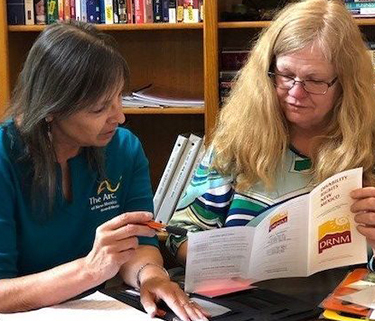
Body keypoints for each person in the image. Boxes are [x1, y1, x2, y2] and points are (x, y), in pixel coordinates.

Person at [0, 20, 208, 321]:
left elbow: (139, 242)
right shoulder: (5, 157)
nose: (120, 117)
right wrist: (89, 270)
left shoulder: (124, 149)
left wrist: (150, 276)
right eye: (99, 109)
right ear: (51, 108)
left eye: (119, 98)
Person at [167, 0, 375, 267]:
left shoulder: (368, 144)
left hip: (343, 303)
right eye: (286, 74)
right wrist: (223, 260)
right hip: (250, 300)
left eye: (314, 80)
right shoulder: (238, 141)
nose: (296, 93)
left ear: (345, 85)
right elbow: (179, 236)